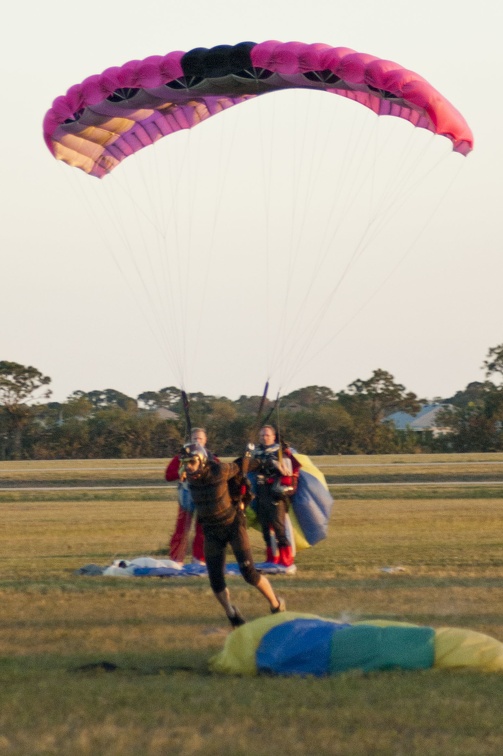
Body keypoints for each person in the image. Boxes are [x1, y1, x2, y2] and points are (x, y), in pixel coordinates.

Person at [180, 442, 286, 627]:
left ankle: (276, 605)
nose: (188, 466)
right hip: (211, 531)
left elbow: (241, 465)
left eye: (191, 462)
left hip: (233, 525)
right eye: (185, 462)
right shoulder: (190, 477)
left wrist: (265, 463)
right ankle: (232, 614)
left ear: (202, 460)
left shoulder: (219, 471)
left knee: (249, 573)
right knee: (215, 581)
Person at [165, 427, 216, 565]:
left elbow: (219, 475)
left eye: (200, 439)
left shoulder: (211, 458)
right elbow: (168, 475)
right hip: (187, 497)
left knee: (202, 530)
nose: (197, 441)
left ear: (205, 440)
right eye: (195, 439)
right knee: (181, 529)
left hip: (204, 497)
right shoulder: (182, 457)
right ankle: (176, 559)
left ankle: (199, 558)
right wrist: (182, 470)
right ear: (190, 440)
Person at [252, 425, 300, 567]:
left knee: (279, 528)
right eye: (262, 435)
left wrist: (279, 464)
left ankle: (286, 559)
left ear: (273, 437)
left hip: (276, 493)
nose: (264, 438)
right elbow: (248, 466)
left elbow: (290, 470)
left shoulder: (281, 452)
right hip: (260, 492)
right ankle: (272, 558)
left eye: (267, 435)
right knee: (266, 529)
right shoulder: (256, 452)